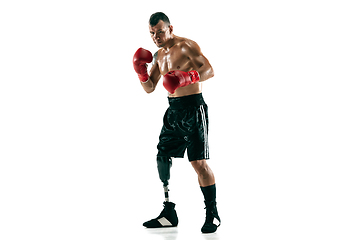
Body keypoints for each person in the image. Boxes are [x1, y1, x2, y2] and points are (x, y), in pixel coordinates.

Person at [132, 12, 220, 234]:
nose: (156, 37)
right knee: (162, 156)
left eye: (160, 31)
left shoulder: (186, 46)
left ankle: (213, 214)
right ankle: (169, 213)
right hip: (173, 111)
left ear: (170, 28)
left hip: (193, 108)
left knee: (198, 163)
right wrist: (141, 72)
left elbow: (209, 70)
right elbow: (150, 88)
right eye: (152, 33)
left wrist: (186, 77)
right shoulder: (158, 56)